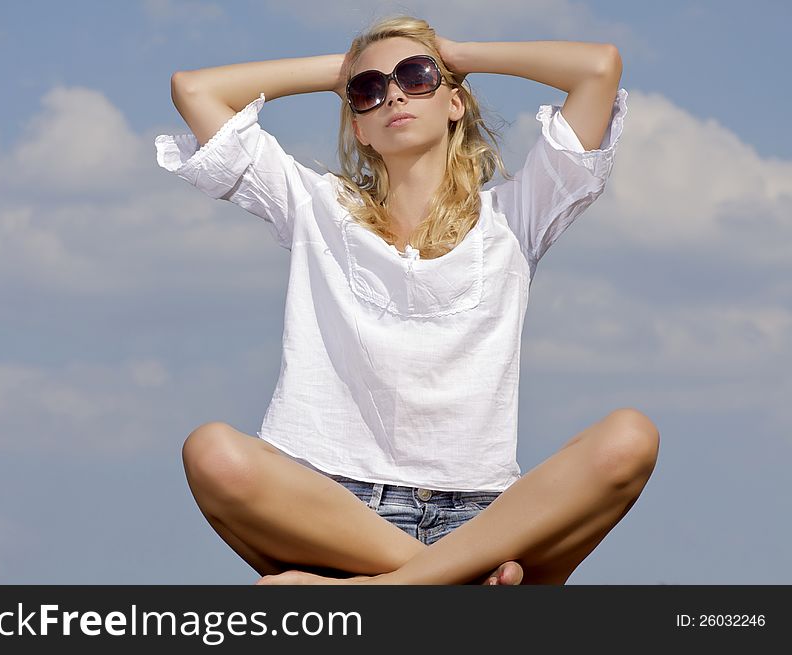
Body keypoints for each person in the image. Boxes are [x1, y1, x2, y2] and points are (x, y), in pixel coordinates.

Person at [155, 14, 658, 585]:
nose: (393, 92)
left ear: (455, 103)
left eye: (417, 77)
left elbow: (598, 69)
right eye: (369, 92)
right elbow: (194, 90)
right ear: (359, 129)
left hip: (488, 518)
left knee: (630, 437)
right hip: (336, 512)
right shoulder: (315, 207)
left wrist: (456, 53)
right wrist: (346, 70)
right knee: (212, 452)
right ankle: (453, 583)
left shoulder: (517, 214)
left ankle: (391, 589)